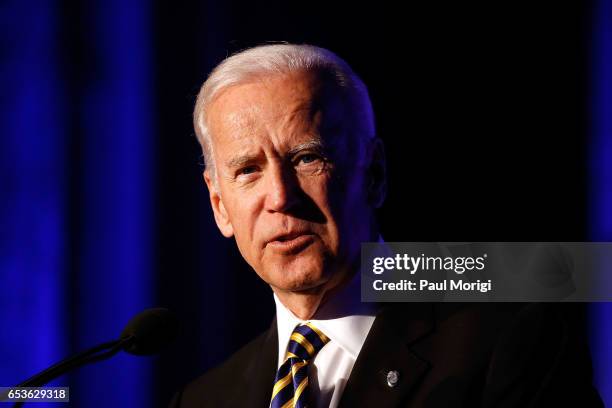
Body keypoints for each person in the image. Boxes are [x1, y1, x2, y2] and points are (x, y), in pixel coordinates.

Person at [169, 44, 603, 407]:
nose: (281, 196)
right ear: (220, 205)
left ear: (373, 173)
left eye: (307, 158)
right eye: (248, 170)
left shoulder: (507, 340)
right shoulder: (203, 399)